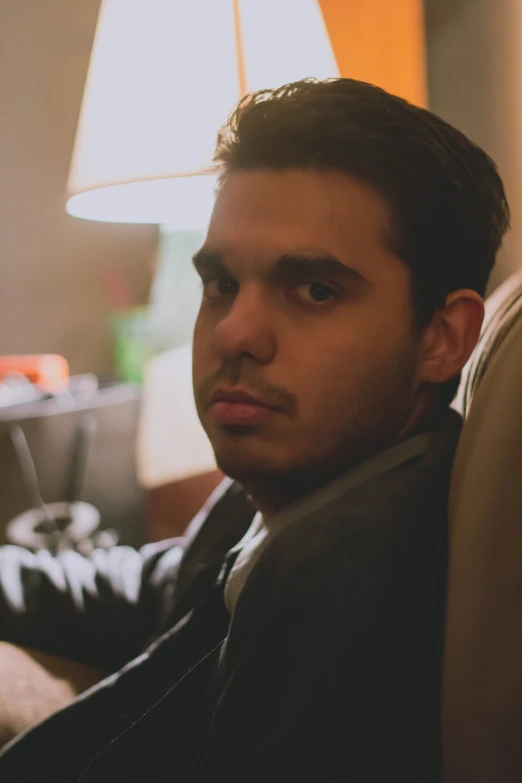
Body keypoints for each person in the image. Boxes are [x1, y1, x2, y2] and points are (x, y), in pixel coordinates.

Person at [0, 78, 509, 782]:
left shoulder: (346, 598)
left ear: (442, 336)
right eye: (223, 284)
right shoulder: (302, 474)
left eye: (315, 290)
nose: (235, 332)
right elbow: (170, 585)